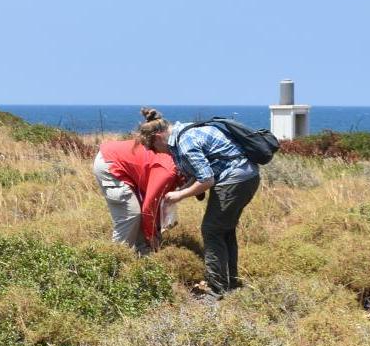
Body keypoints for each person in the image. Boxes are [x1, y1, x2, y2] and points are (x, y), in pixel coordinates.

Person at [161, 116, 260, 296]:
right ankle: (230, 283)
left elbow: (206, 179)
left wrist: (180, 195)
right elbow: (202, 169)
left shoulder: (185, 141)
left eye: (152, 147)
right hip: (247, 176)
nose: (156, 152)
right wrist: (182, 189)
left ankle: (217, 289)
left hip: (234, 180)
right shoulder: (187, 131)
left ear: (158, 136)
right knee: (225, 230)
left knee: (212, 230)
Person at [93, 108, 181, 253]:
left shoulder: (175, 163)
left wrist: (154, 230)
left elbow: (153, 202)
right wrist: (151, 235)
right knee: (131, 214)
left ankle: (143, 255)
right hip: (110, 164)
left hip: (122, 163)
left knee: (140, 215)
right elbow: (149, 206)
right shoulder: (168, 171)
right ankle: (116, 259)